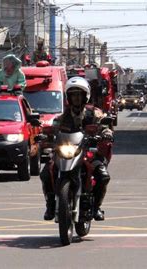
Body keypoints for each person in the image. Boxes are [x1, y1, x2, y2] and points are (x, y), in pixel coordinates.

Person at [40, 77, 113, 221]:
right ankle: (50, 205)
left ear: (85, 96)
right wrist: (44, 136)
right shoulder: (61, 117)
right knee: (46, 173)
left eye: (79, 94)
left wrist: (106, 134)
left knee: (103, 176)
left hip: (89, 152)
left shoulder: (95, 113)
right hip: (66, 152)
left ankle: (96, 207)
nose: (76, 98)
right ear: (69, 97)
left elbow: (105, 127)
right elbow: (52, 129)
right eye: (73, 94)